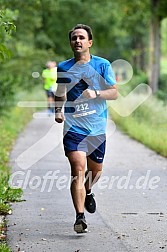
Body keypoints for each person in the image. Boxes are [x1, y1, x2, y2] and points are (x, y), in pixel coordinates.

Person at [54, 24, 118, 233]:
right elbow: (61, 91)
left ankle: (88, 190)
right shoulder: (64, 67)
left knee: (95, 171)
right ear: (71, 43)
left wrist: (96, 94)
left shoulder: (102, 65)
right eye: (74, 38)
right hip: (74, 126)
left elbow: (114, 93)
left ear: (89, 42)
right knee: (77, 168)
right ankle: (79, 217)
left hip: (97, 127)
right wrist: (58, 110)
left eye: (82, 37)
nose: (78, 41)